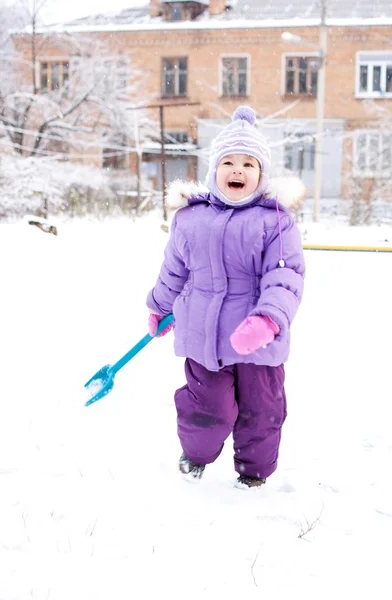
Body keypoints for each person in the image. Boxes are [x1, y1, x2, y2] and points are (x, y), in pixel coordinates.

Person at [146, 106, 305, 488]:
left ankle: (253, 475)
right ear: (213, 171)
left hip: (258, 344)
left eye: (248, 164)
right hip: (204, 339)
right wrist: (159, 305)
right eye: (229, 162)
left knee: (262, 412)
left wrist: (268, 319)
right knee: (207, 410)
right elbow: (174, 270)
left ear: (261, 175)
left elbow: (285, 277)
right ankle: (196, 455)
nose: (238, 170)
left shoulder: (276, 222)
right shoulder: (190, 219)